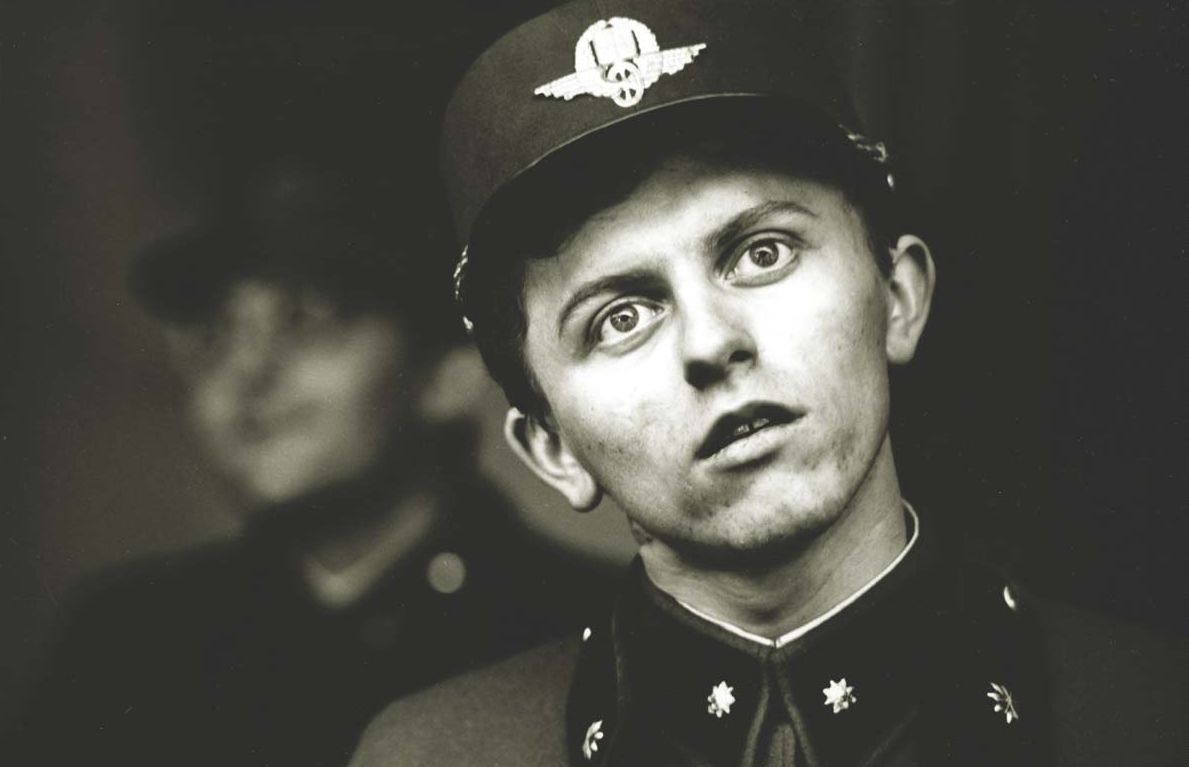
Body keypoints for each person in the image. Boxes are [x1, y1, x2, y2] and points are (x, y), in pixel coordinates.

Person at [349, 1, 1189, 765]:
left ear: (896, 297)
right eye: (620, 316)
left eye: (761, 253)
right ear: (552, 448)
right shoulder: (436, 756)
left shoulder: (1151, 713)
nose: (712, 342)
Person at [11, 156, 613, 767]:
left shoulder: (591, 627)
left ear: (447, 373)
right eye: (214, 336)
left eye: (309, 319)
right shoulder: (122, 642)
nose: (248, 372)